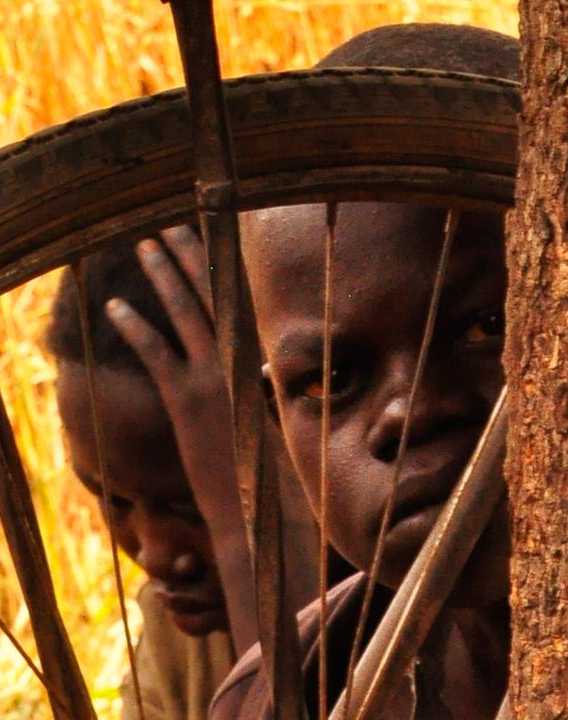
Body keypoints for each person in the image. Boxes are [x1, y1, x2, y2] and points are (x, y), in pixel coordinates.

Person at [207, 23, 519, 720]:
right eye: (329, 381)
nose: (412, 413)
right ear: (273, 415)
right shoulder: (276, 697)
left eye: (486, 328)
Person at [47, 226, 324, 720]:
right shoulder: (179, 646)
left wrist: (243, 538)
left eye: (193, 507)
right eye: (113, 502)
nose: (153, 556)